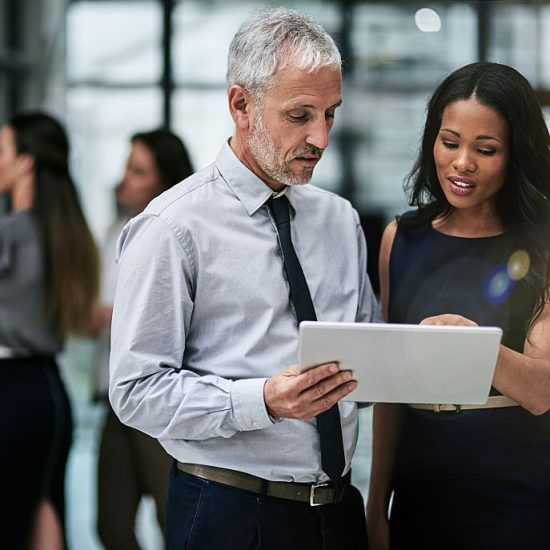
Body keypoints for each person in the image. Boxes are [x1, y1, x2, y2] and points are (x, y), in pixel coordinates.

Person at [109, 7, 380, 550]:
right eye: (300, 115)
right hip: (229, 514)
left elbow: (366, 368)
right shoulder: (171, 227)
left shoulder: (339, 220)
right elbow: (135, 392)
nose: (321, 137)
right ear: (241, 105)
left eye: (331, 113)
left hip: (338, 511)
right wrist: (265, 401)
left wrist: (428, 351)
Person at [366, 61, 550, 549]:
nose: (462, 163)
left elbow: (541, 388)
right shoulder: (399, 239)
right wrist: (375, 504)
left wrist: (469, 347)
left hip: (516, 497)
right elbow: (389, 393)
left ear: (515, 155)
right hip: (420, 493)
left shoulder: (543, 247)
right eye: (450, 142)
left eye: (485, 149)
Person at [0, 111, 99, 548]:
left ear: (26, 162)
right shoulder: (64, 233)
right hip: (48, 395)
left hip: (10, 393)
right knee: (45, 512)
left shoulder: (11, 234)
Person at [91, 129, 193, 549]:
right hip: (115, 399)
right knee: (110, 523)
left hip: (161, 400)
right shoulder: (115, 229)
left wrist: (116, 318)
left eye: (138, 171)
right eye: (127, 168)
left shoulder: (179, 233)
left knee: (172, 520)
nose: (124, 181)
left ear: (164, 180)